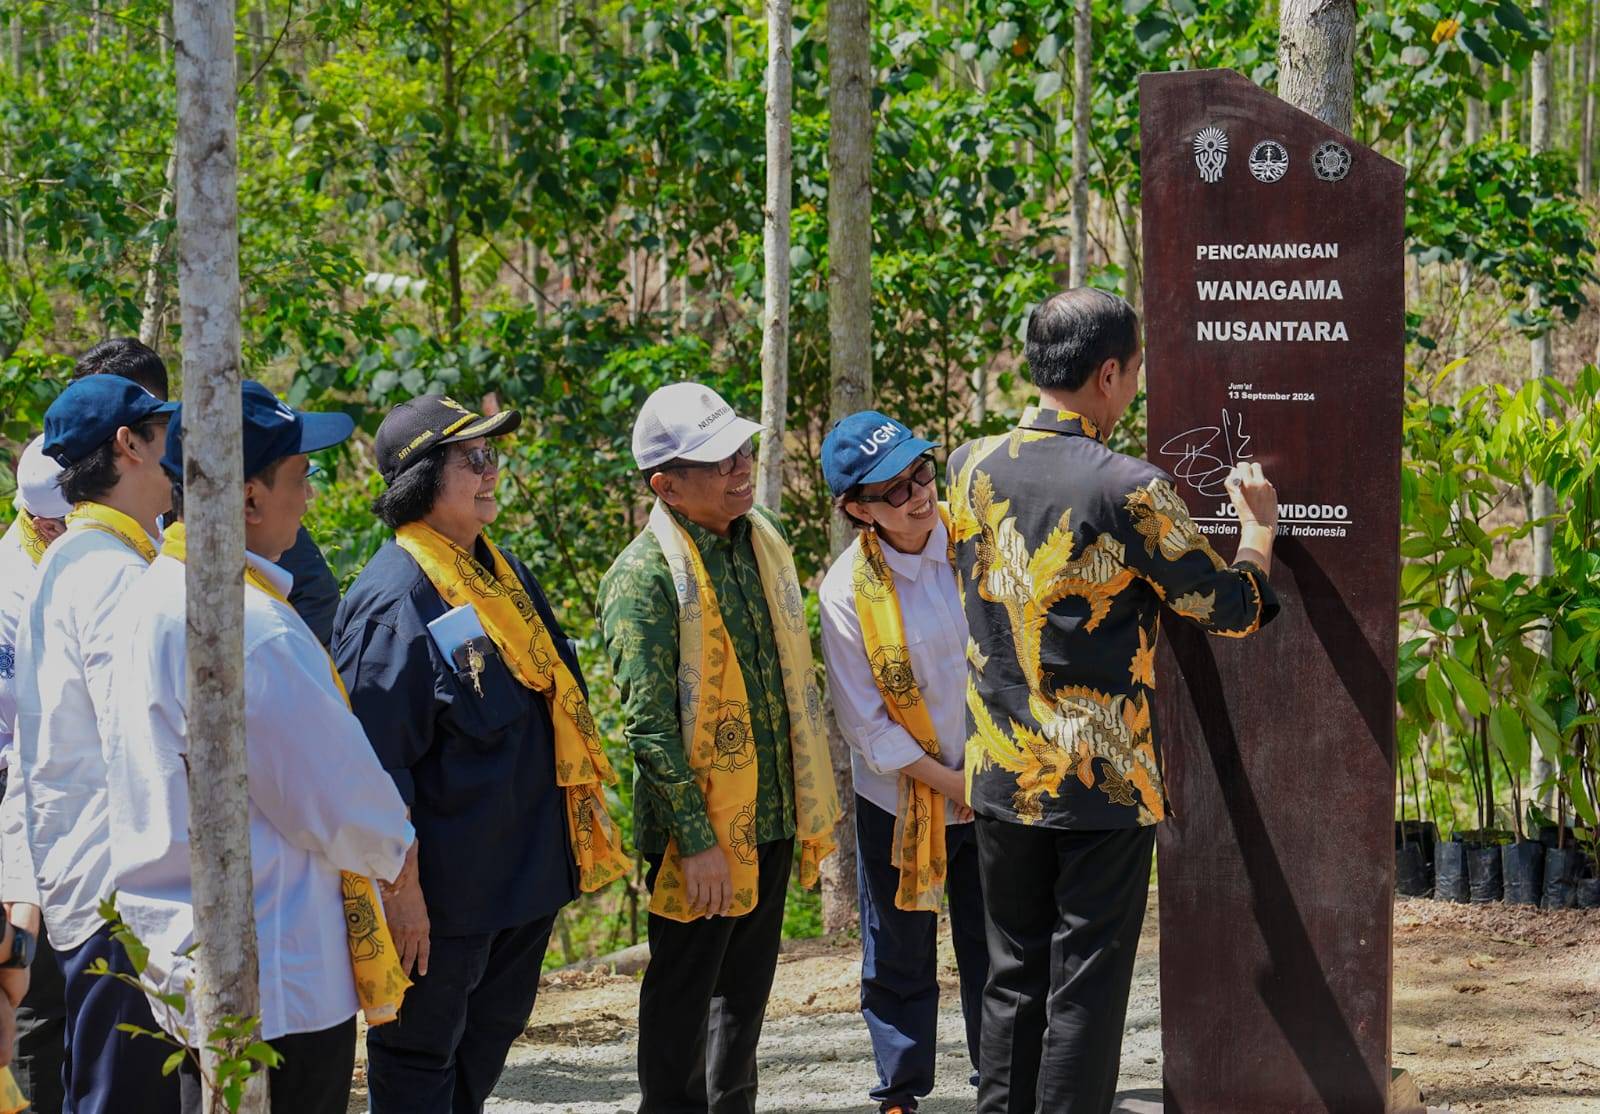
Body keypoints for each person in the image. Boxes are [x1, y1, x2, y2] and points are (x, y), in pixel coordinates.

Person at [947, 288, 1282, 1114]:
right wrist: (1260, 536)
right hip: (1099, 781)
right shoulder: (1128, 487)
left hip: (997, 769)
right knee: (1085, 989)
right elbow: (1226, 609)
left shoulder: (966, 463)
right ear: (1107, 374)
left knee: (1010, 977)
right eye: (1133, 373)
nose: (1132, 387)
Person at [103, 381, 417, 1113]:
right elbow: (333, 797)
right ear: (247, 497)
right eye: (301, 478)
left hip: (192, 959)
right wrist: (399, 861)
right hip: (279, 969)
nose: (308, 499)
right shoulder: (251, 625)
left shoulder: (155, 593)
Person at [333, 394, 626, 1113]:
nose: (493, 473)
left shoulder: (502, 573)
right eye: (476, 459)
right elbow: (374, 771)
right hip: (445, 903)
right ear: (422, 478)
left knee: (482, 1049)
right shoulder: (394, 600)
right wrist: (403, 899)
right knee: (418, 1060)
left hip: (522, 884)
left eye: (493, 457)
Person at [597, 382, 839, 1114]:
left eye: (741, 449)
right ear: (665, 485)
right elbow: (648, 727)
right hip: (697, 833)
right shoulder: (642, 579)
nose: (741, 466)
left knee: (743, 999)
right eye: (718, 459)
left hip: (767, 814)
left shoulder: (758, 537)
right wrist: (698, 842)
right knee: (683, 999)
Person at [7, 374, 181, 1113]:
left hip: (105, 882)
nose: (173, 452)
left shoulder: (85, 559)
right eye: (161, 433)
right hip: (125, 893)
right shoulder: (110, 573)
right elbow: (140, 738)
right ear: (127, 446)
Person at [817, 412, 988, 1114]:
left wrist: (988, 773)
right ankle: (901, 1090)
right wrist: (952, 783)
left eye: (922, 472)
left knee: (998, 939)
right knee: (900, 950)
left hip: (1000, 780)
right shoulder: (845, 592)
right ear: (857, 509)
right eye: (894, 491)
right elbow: (867, 725)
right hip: (904, 800)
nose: (919, 494)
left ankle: (1004, 1078)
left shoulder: (979, 539)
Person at [0, 436, 71, 1114]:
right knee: (34, 998)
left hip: (60, 802)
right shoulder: (14, 584)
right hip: (24, 804)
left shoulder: (57, 559)